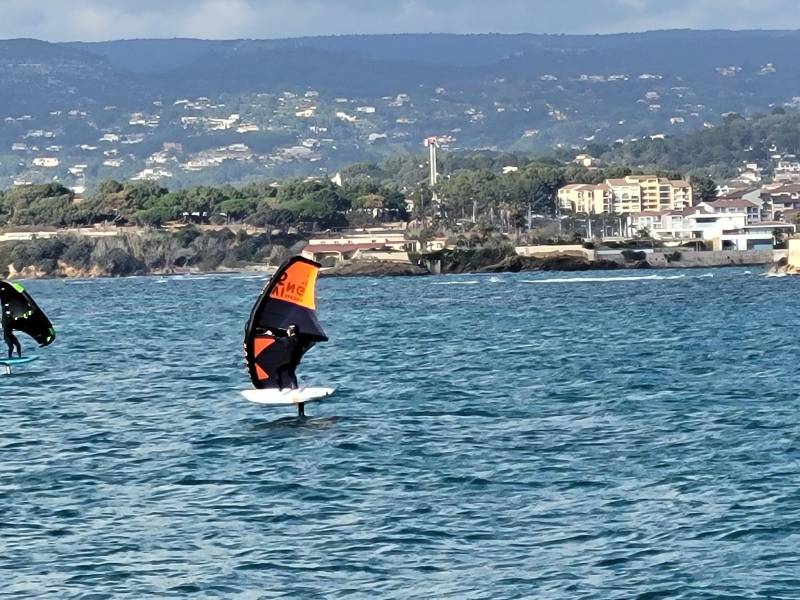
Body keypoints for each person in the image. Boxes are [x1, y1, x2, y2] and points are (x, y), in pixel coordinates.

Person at [275, 324, 303, 390]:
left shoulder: (288, 340)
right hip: (295, 361)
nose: (287, 331)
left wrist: (271, 335)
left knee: (278, 371)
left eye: (288, 330)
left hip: (288, 361)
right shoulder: (299, 339)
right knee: (291, 372)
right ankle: (295, 388)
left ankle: (280, 389)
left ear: (291, 331)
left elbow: (278, 339)